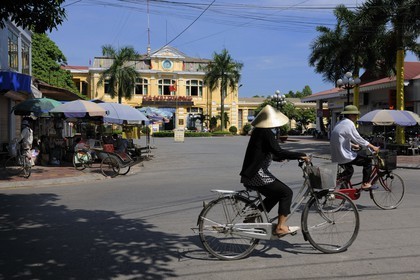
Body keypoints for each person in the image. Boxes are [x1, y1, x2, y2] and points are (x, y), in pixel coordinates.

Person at [240, 105, 308, 237]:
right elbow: (278, 151)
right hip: (257, 174)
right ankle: (281, 227)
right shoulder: (266, 133)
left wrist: (279, 158)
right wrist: (300, 154)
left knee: (275, 194)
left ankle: (251, 217)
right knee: (286, 192)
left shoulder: (258, 131)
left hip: (251, 173)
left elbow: (268, 152)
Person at [330, 105, 380, 189]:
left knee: (349, 171)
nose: (356, 116)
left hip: (336, 155)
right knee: (367, 162)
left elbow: (341, 139)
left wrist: (353, 145)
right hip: (344, 155)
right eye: (355, 114)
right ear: (350, 115)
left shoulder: (339, 123)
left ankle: (342, 185)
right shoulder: (349, 124)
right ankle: (365, 183)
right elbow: (358, 138)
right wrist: (373, 147)